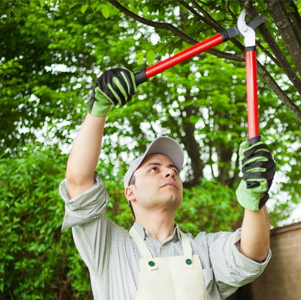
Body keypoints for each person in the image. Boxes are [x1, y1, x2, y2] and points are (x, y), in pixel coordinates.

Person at [59, 68, 276, 300]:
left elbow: (252, 253)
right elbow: (79, 183)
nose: (169, 174)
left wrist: (256, 200)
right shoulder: (109, 247)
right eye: (155, 168)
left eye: (174, 170)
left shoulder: (204, 249)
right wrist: (98, 109)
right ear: (130, 192)